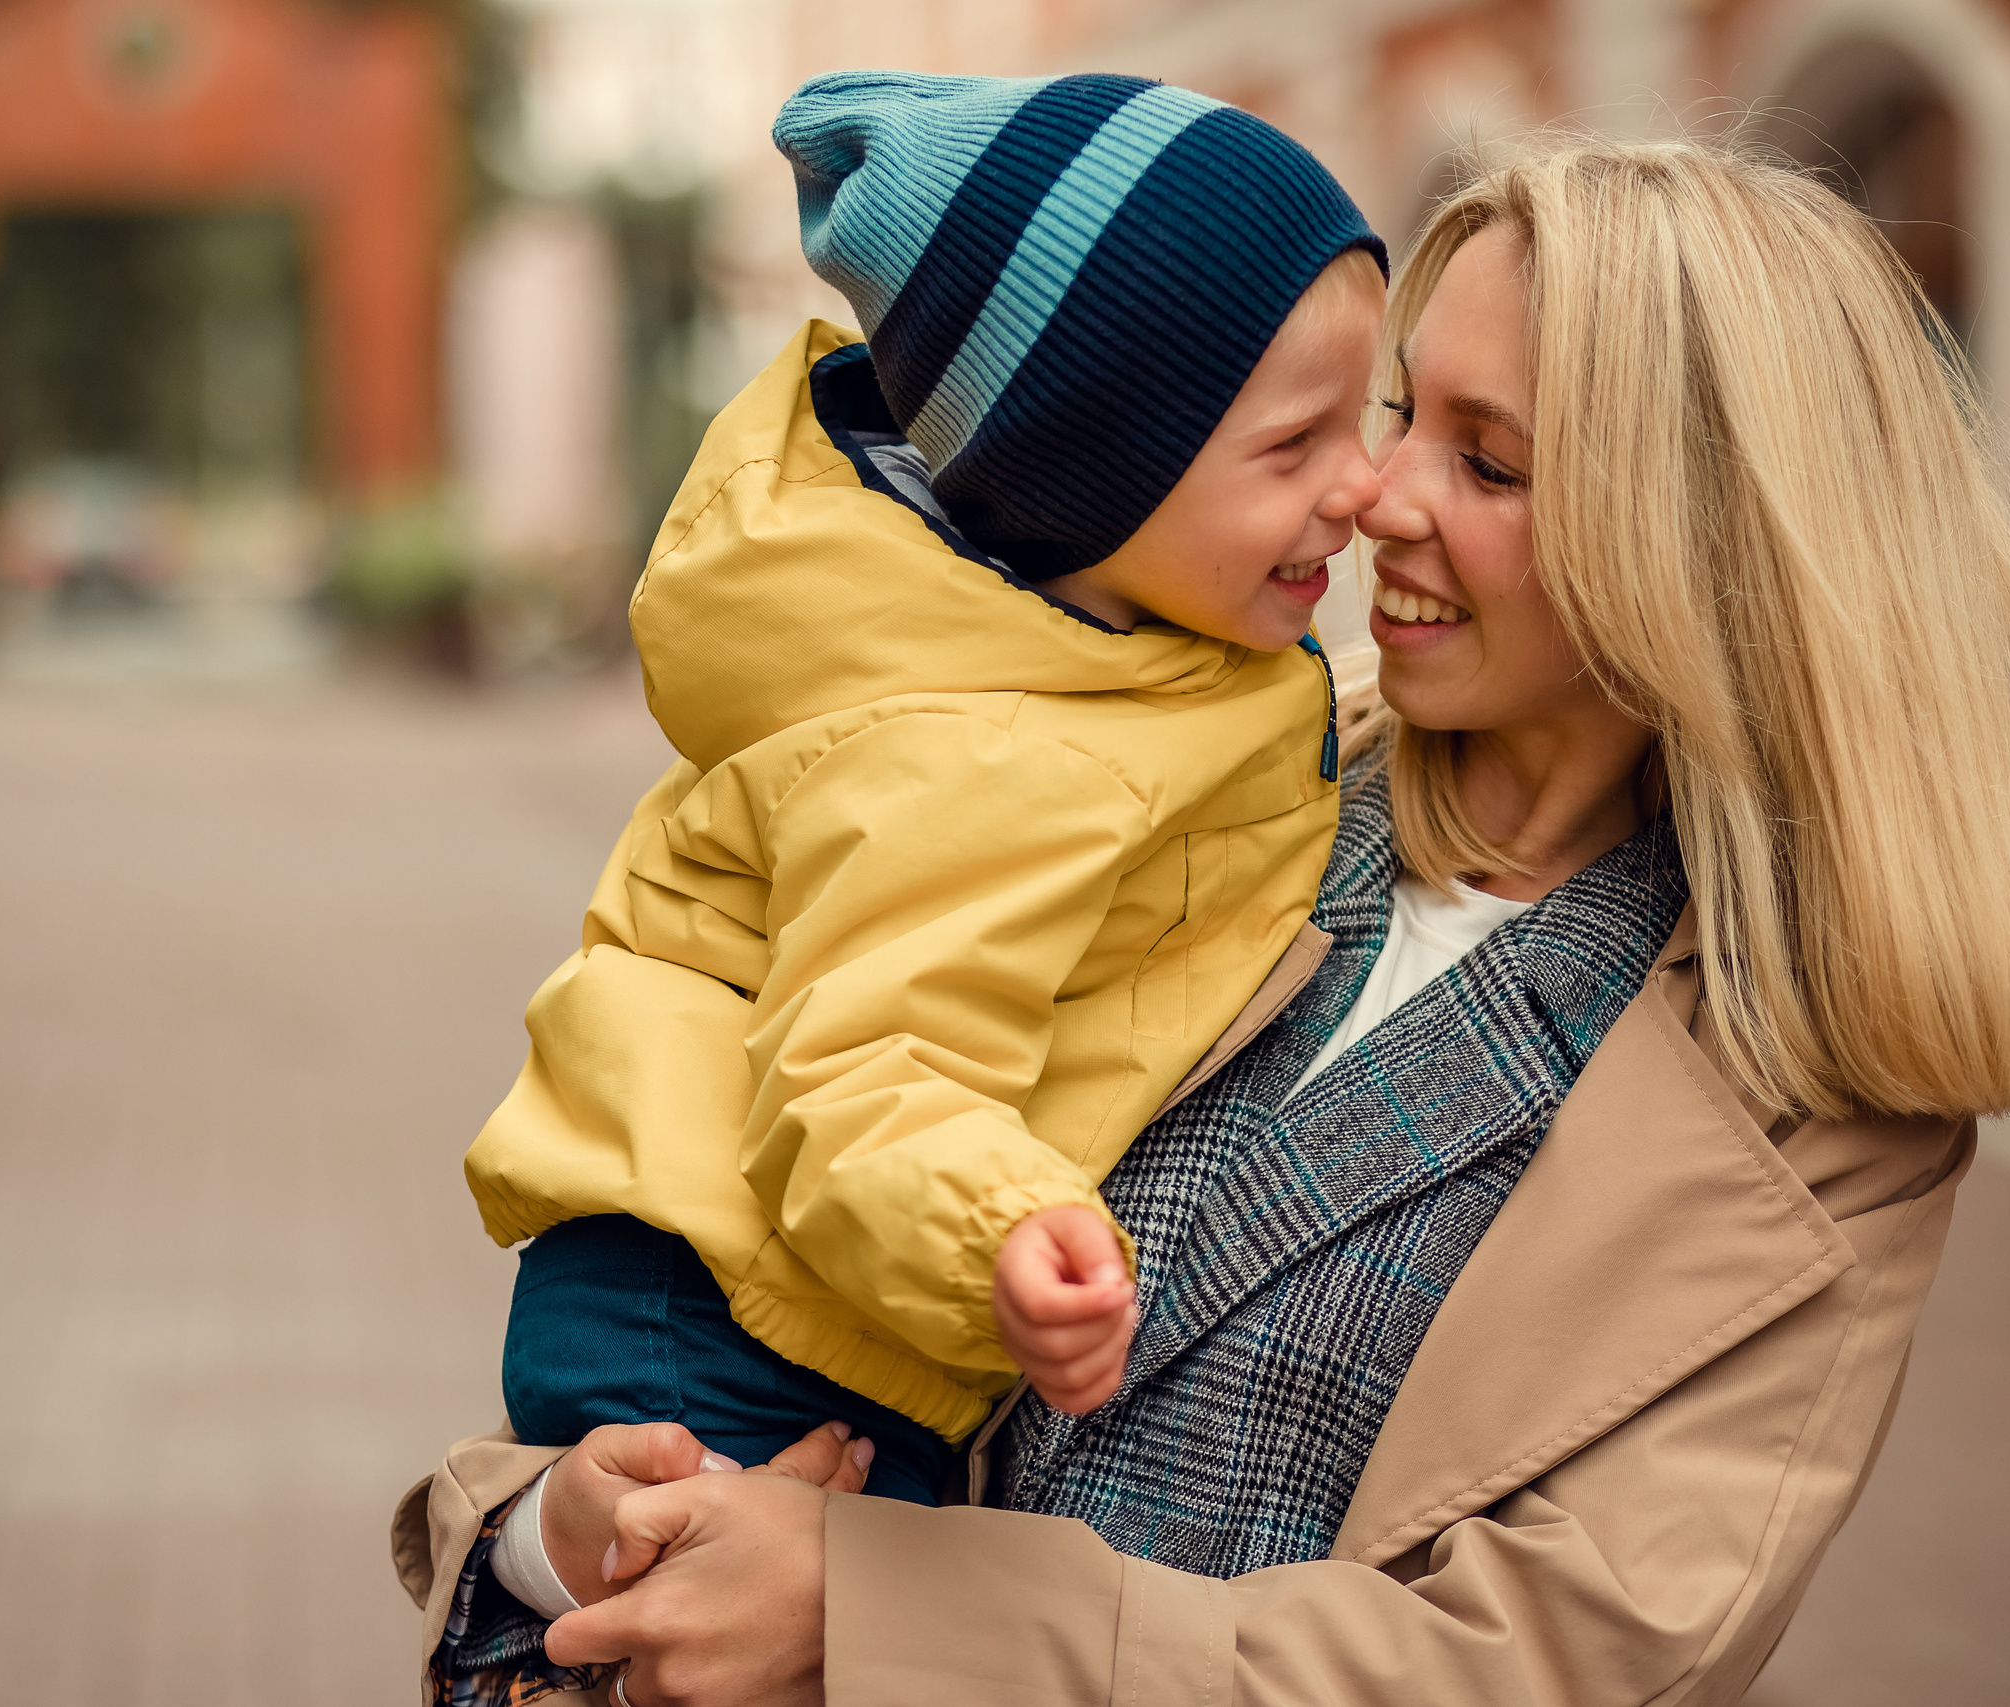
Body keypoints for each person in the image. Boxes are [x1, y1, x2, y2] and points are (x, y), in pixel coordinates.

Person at [393, 131, 2010, 1706]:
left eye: (1492, 462)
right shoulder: (1152, 772)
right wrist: (557, 1533)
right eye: (1397, 414)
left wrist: (873, 1607)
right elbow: (686, 1251)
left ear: (1703, 545)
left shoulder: (1830, 1096)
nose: (1378, 496)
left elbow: (1547, 1664)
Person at [460, 65, 1393, 1604]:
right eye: (1293, 448)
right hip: (734, 1324)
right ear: (1093, 475)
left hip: (756, 1283)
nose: (1359, 487)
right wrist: (1005, 1234)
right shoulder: (977, 750)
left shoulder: (1092, 644)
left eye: (1371, 417)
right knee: (759, 1631)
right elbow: (867, 1068)